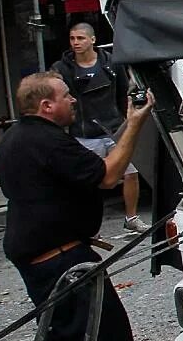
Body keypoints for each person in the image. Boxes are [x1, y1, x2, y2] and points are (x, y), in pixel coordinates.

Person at [0, 71, 152, 341]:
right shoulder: (48, 141)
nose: (73, 100)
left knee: (56, 334)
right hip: (60, 257)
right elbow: (110, 174)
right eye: (66, 96)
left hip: (37, 252)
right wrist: (134, 123)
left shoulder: (16, 138)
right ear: (46, 106)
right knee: (104, 329)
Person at [56, 23, 144, 233]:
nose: (76, 43)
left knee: (131, 172)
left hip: (114, 128)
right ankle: (84, 222)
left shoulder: (111, 63)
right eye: (72, 39)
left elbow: (123, 92)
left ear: (92, 40)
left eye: (80, 38)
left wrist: (124, 120)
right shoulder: (63, 68)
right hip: (85, 133)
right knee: (88, 181)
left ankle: (131, 217)